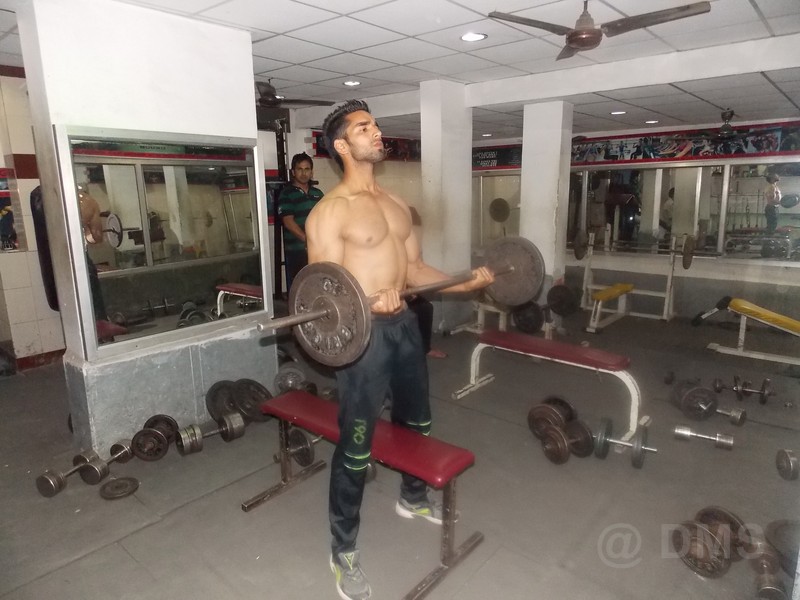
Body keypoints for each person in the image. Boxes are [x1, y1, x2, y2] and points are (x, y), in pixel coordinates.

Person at [305, 99, 494, 600]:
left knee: (418, 421)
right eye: (363, 128)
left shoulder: (395, 204)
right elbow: (323, 295)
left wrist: (465, 283)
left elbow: (414, 270)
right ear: (342, 145)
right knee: (356, 444)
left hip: (405, 327)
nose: (376, 132)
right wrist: (367, 301)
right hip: (363, 338)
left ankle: (412, 497)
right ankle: (343, 550)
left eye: (375, 125)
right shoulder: (329, 213)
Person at [277, 152, 324, 293]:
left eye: (307, 169)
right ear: (293, 172)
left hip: (317, 249)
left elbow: (325, 219)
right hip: (296, 251)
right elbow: (288, 222)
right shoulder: (287, 194)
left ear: (311, 172)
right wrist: (307, 240)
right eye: (300, 169)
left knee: (317, 286)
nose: (304, 173)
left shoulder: (318, 194)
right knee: (299, 289)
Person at [78, 185, 108, 321]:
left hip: (60, 261)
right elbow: (96, 238)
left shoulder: (53, 201)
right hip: (82, 259)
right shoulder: (89, 202)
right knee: (95, 310)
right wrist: (87, 229)